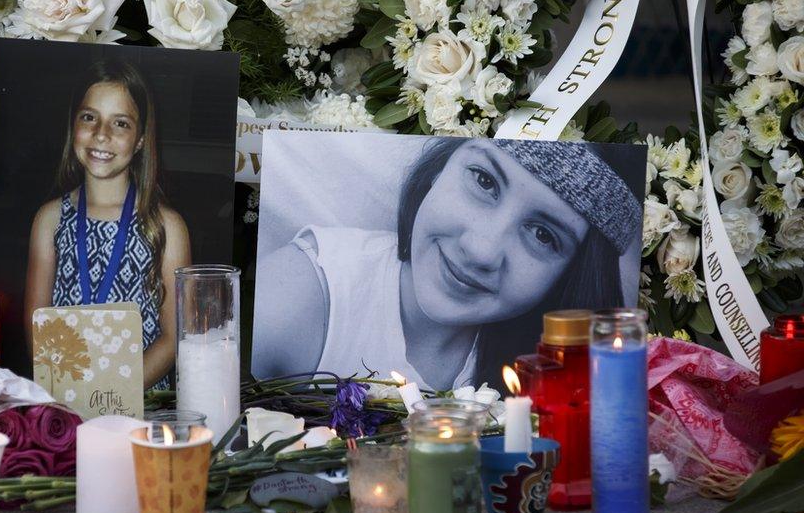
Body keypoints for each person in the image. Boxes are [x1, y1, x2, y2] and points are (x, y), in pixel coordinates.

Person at [252, 137, 641, 391]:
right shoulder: (298, 299)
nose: (481, 250)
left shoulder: (560, 375)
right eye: (485, 182)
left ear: (569, 273)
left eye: (543, 235)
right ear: (439, 170)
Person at [25, 59, 191, 390]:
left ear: (141, 139)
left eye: (121, 124)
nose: (102, 134)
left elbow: (174, 337)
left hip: (141, 402)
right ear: (74, 126)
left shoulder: (167, 227)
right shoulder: (50, 219)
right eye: (90, 118)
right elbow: (36, 323)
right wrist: (67, 390)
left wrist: (114, 392)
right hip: (67, 396)